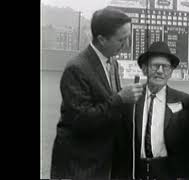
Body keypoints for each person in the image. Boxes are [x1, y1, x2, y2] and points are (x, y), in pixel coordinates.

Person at [50, 7, 143, 180]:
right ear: (101, 39)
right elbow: (81, 120)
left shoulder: (112, 63)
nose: (127, 44)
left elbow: (109, 108)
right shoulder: (76, 68)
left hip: (104, 161)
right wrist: (120, 99)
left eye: (128, 37)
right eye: (122, 39)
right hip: (81, 164)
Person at [134, 41, 189, 180]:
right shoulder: (131, 100)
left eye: (165, 67)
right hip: (136, 173)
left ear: (170, 72)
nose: (159, 71)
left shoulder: (186, 102)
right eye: (154, 66)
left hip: (169, 173)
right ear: (144, 69)